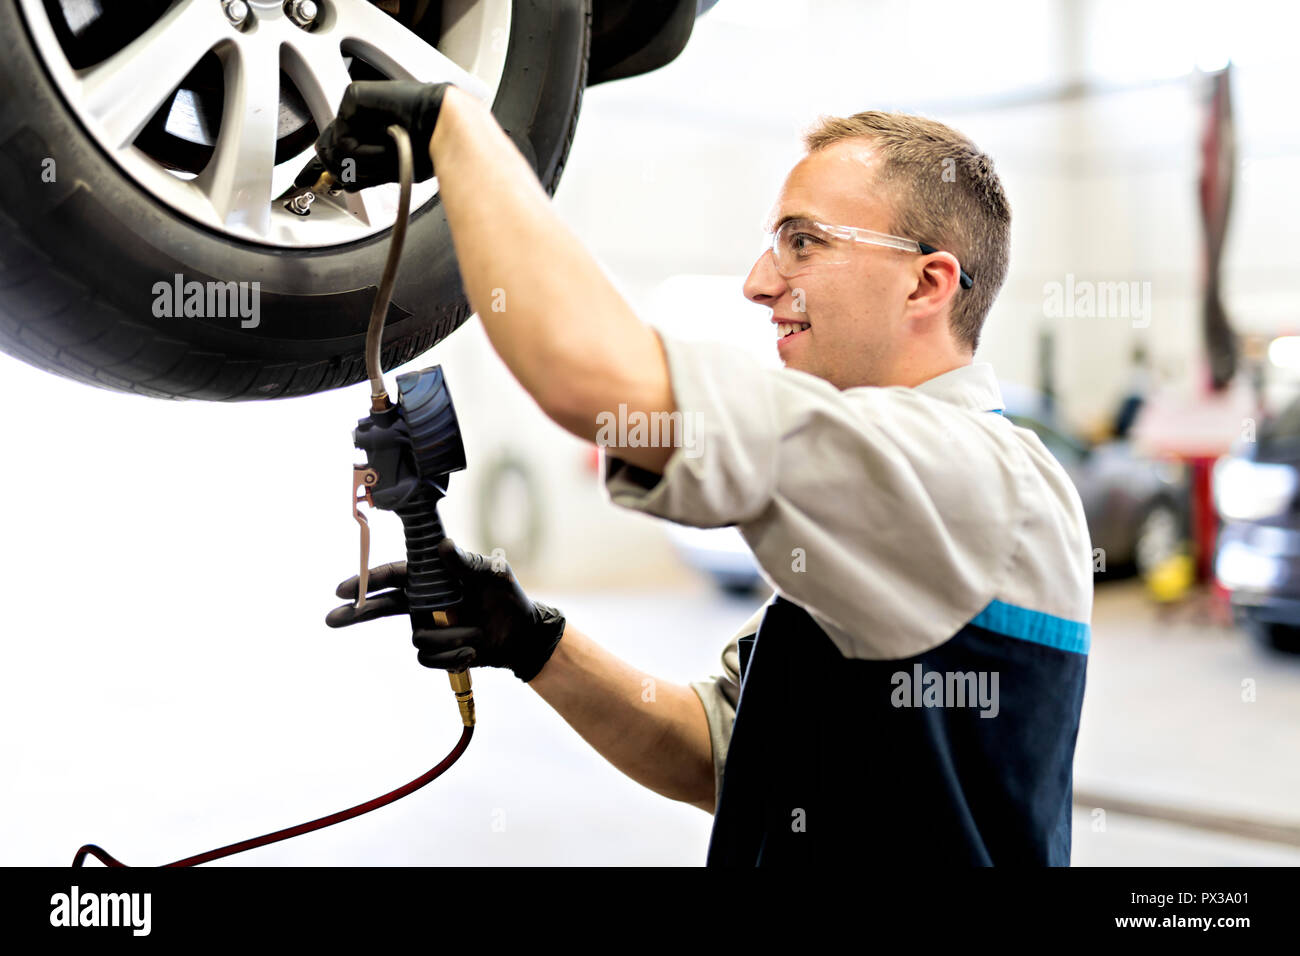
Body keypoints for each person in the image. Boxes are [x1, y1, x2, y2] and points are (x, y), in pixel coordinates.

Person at [321, 82, 1093, 866]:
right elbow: (721, 752)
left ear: (926, 284)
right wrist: (527, 638)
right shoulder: (894, 499)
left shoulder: (973, 475)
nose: (759, 282)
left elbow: (590, 377)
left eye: (803, 241)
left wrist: (458, 127)